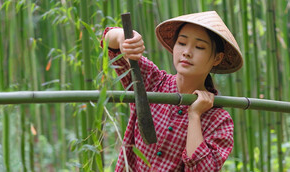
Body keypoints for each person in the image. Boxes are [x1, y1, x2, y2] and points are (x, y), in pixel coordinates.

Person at [101, 11, 243, 171]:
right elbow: (109, 42)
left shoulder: (218, 120)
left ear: (217, 58)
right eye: (182, 43)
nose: (187, 52)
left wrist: (194, 116)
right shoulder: (152, 81)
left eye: (199, 47)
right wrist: (123, 38)